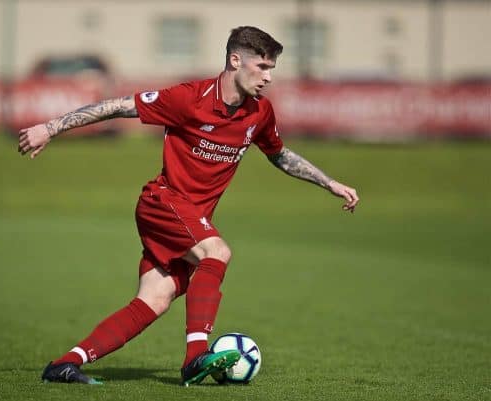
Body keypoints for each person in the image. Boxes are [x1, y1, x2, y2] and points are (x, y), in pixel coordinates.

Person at [18, 26, 359, 386]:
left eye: (272, 68)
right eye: (261, 67)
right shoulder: (189, 98)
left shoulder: (259, 113)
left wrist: (330, 183)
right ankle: (195, 359)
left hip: (191, 219)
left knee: (155, 299)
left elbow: (279, 155)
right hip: (163, 203)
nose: (268, 77)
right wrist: (52, 128)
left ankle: (65, 364)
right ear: (235, 60)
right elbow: (118, 106)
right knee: (218, 252)